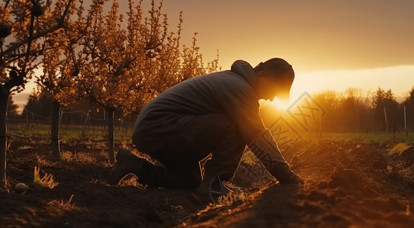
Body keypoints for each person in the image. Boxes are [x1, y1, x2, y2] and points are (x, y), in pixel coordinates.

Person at [110, 58, 303, 200]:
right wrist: (288, 177)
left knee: (189, 180)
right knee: (238, 126)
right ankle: (214, 185)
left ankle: (134, 165)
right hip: (161, 127)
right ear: (262, 75)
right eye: (275, 91)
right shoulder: (239, 88)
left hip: (157, 130)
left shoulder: (234, 82)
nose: (272, 98)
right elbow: (256, 135)